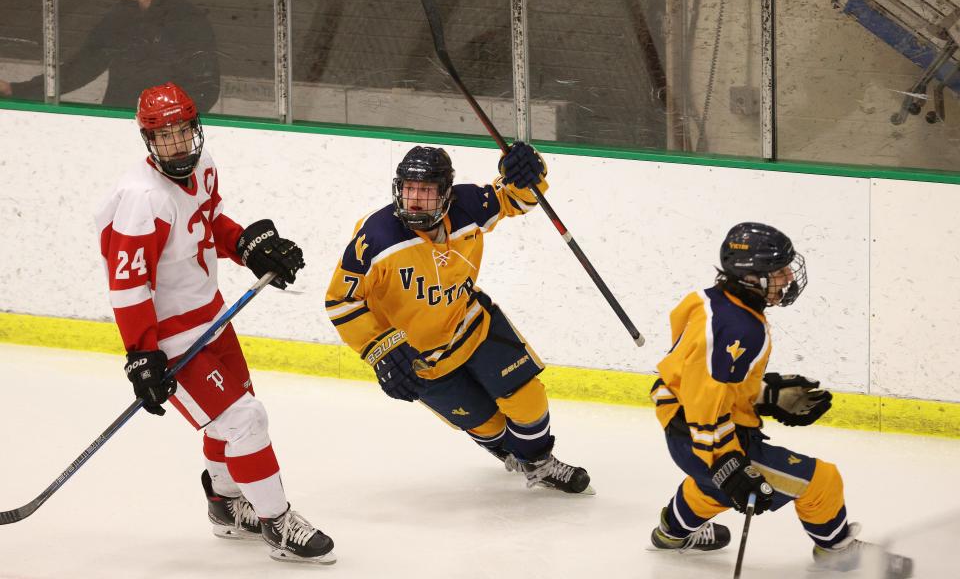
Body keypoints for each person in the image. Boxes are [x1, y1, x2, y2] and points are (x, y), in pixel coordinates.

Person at [95, 82, 334, 564]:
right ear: (148, 140)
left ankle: (226, 506)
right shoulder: (143, 200)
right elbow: (128, 286)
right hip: (171, 335)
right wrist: (143, 354)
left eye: (182, 132)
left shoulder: (202, 170)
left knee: (235, 414)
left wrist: (249, 246)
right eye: (163, 137)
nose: (176, 145)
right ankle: (278, 523)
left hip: (213, 315)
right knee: (246, 422)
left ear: (195, 130)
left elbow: (211, 222)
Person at [647, 222, 912, 577]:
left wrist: (766, 395)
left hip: (684, 428)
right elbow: (706, 404)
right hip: (703, 438)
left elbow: (701, 380)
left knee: (712, 488)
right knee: (820, 481)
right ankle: (837, 551)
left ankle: (671, 534)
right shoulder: (740, 329)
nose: (788, 276)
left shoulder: (709, 301)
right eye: (779, 270)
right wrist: (727, 463)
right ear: (752, 277)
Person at [325, 144, 593, 494]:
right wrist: (381, 349)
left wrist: (529, 170)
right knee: (491, 429)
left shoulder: (469, 205)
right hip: (421, 356)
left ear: (446, 193)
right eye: (409, 189)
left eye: (426, 191)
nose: (416, 199)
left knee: (527, 399)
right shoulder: (377, 237)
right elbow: (340, 301)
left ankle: (540, 462)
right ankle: (508, 448)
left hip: (474, 326)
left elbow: (519, 198)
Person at [1, 0, 219, 111]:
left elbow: (206, 88)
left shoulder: (187, 19)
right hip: (117, 124)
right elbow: (81, 68)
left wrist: (172, 127)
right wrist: (17, 89)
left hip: (165, 136)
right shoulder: (119, 18)